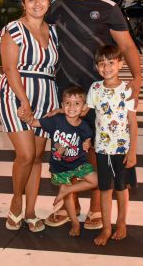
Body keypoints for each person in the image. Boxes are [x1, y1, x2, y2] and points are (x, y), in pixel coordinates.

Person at [43, 0, 142, 230]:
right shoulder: (56, 7)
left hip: (101, 96)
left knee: (98, 151)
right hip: (67, 94)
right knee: (65, 151)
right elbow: (37, 30)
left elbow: (128, 47)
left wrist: (138, 77)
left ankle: (97, 208)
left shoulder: (108, 8)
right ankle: (68, 205)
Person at [0, 0, 59, 232]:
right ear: (24, 3)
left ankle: (31, 211)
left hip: (47, 95)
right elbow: (10, 69)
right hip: (16, 93)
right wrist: (24, 101)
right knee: (25, 155)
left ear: (48, 2)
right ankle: (16, 201)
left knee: (37, 158)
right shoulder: (14, 29)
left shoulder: (53, 31)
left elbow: (55, 67)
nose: (37, 3)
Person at [27, 85, 98, 237]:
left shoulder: (85, 126)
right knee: (68, 199)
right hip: (60, 166)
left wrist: (88, 143)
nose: (72, 107)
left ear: (84, 107)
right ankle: (75, 222)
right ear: (62, 105)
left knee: (95, 181)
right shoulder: (55, 121)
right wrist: (25, 116)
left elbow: (87, 140)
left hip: (79, 163)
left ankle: (68, 189)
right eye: (68, 103)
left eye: (77, 104)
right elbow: (35, 123)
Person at [86, 44, 138, 246]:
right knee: (105, 189)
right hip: (102, 149)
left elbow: (133, 123)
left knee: (122, 188)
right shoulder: (95, 88)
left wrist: (132, 151)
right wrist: (61, 111)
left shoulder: (127, 90)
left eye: (111, 63)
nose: (106, 68)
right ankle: (107, 228)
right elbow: (83, 112)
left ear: (120, 64)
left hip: (122, 150)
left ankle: (122, 223)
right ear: (97, 67)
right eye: (101, 64)